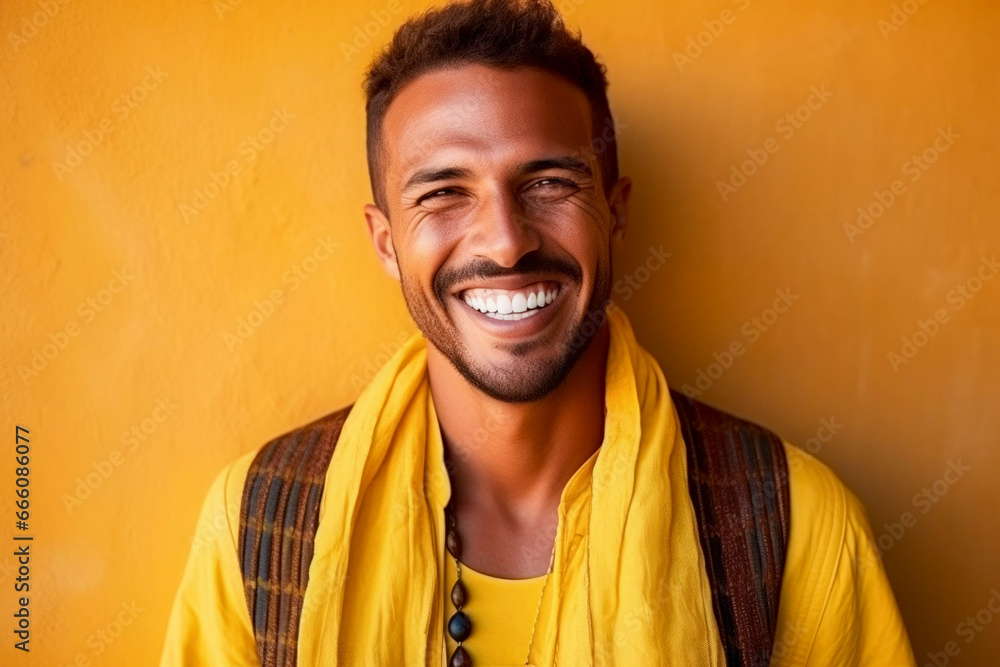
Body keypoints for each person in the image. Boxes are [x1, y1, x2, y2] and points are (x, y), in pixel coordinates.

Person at [161, 1, 916, 665]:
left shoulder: (791, 523)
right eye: (443, 193)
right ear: (387, 242)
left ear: (615, 211)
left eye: (550, 183)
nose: (506, 241)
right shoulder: (258, 522)